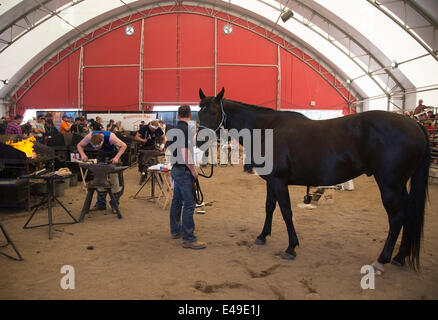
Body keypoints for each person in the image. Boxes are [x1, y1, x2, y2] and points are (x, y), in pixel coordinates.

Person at [168, 105, 206, 249]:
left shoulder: (173, 130)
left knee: (177, 201)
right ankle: (189, 238)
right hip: (183, 170)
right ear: (190, 115)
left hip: (176, 169)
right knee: (189, 203)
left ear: (178, 116)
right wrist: (193, 170)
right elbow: (185, 153)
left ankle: (175, 230)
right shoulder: (186, 130)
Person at [76, 130, 127, 213]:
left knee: (115, 182)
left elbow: (124, 146)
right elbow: (79, 145)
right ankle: (101, 204)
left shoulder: (111, 138)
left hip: (113, 155)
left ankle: (114, 205)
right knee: (100, 180)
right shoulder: (89, 136)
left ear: (102, 141)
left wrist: (116, 158)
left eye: (97, 147)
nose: (95, 149)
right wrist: (83, 155)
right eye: (94, 147)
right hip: (102, 155)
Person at [134, 119, 167, 184]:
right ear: (150, 125)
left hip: (152, 146)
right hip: (143, 147)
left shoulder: (158, 129)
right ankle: (143, 174)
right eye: (153, 129)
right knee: (141, 162)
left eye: (155, 129)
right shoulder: (144, 128)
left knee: (154, 161)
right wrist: (142, 140)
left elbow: (164, 138)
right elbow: (136, 137)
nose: (154, 131)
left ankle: (154, 174)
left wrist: (162, 146)